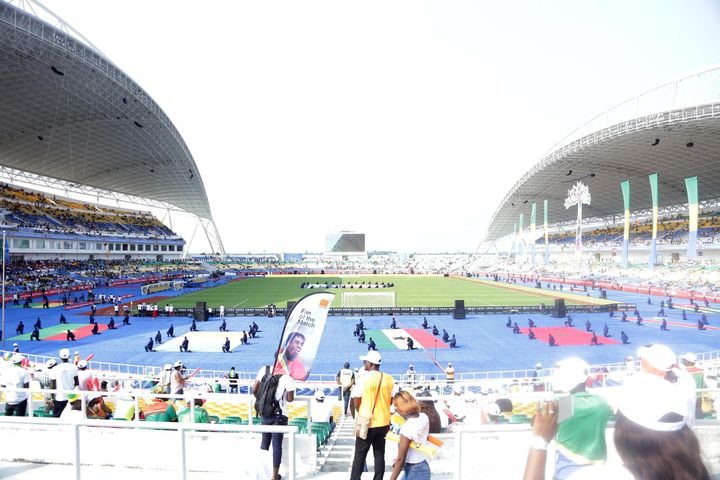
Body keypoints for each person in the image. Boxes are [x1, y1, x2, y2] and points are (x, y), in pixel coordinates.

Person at [551, 357, 611, 479]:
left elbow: (537, 424)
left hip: (567, 472)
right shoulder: (601, 402)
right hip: (598, 471)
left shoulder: (564, 404)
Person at [350, 350, 395, 480]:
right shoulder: (389, 379)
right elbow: (390, 400)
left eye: (365, 362)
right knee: (380, 455)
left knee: (359, 455)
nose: (364, 363)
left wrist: (363, 410)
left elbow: (356, 400)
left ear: (370, 364)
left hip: (367, 423)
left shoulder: (363, 379)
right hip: (384, 422)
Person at [253, 363, 295, 480]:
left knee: (264, 444)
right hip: (279, 416)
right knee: (277, 446)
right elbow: (290, 399)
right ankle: (274, 476)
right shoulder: (286, 377)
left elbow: (254, 389)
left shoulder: (264, 369)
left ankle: (262, 474)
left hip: (264, 413)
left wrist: (263, 401)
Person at [389, 391, 431, 480]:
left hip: (413, 470)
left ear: (401, 409)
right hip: (423, 465)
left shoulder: (407, 428)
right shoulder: (424, 416)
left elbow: (401, 459)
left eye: (396, 409)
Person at [50, 348, 79, 417]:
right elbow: (77, 383)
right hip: (71, 398)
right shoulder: (74, 367)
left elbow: (52, 386)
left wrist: (52, 398)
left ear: (60, 357)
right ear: (69, 356)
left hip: (59, 397)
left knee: (57, 418)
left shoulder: (55, 369)